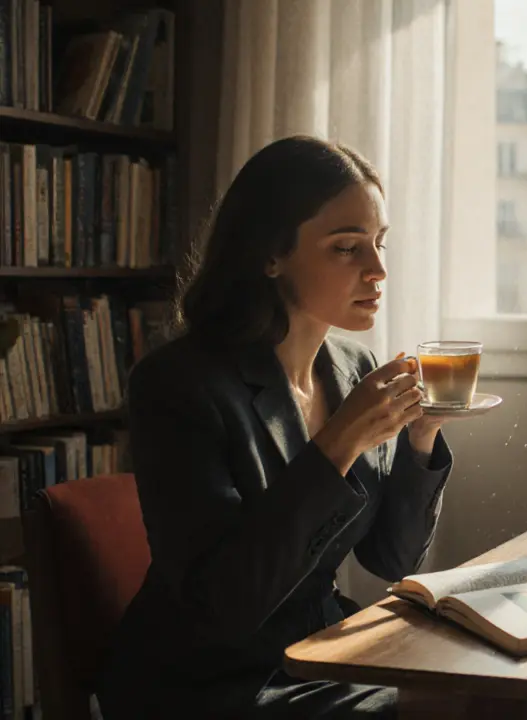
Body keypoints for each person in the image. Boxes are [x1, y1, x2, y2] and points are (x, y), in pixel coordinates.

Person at [97, 136, 484, 719]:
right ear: (270, 254)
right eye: (347, 248)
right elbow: (223, 604)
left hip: (321, 650)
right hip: (214, 680)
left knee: (509, 689)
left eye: (380, 244)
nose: (378, 270)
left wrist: (421, 437)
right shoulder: (178, 385)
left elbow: (392, 560)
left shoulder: (353, 368)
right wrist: (341, 441)